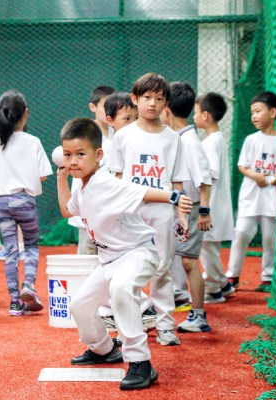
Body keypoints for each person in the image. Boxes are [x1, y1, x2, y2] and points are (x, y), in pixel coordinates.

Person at [57, 117, 192, 390]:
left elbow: (140, 190)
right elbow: (66, 211)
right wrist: (61, 178)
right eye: (68, 154)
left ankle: (141, 363)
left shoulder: (103, 182)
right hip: (110, 259)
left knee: (121, 289)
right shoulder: (81, 186)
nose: (73, 161)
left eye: (80, 154)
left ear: (98, 156)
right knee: (79, 306)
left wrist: (173, 197)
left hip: (137, 253)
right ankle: (104, 350)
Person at [107, 73, 189, 346]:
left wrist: (182, 215)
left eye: (159, 98)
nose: (152, 103)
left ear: (166, 103)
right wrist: (113, 211)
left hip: (162, 210)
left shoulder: (173, 138)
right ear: (135, 99)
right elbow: (116, 177)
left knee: (162, 268)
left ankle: (166, 326)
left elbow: (176, 180)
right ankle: (127, 325)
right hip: (130, 210)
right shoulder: (123, 136)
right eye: (146, 98)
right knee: (125, 269)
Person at [97, 91, 156, 334]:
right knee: (107, 267)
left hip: (124, 219)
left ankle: (140, 308)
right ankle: (119, 310)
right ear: (110, 120)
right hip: (104, 219)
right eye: (126, 119)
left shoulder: (130, 143)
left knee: (124, 267)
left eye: (134, 118)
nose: (131, 124)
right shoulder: (107, 147)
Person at [0, 89, 52, 316]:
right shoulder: (32, 141)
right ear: (25, 114)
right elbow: (44, 175)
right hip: (24, 200)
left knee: (10, 251)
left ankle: (15, 301)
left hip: (2, 203)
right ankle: (29, 286)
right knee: (32, 245)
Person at [161, 82, 213, 333]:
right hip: (185, 208)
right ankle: (179, 300)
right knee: (180, 260)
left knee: (190, 263)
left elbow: (204, 179)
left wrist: (203, 212)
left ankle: (199, 315)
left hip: (192, 209)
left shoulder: (189, 141)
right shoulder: (179, 138)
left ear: (167, 108)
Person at [227, 92, 276, 292]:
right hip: (251, 196)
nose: (254, 116)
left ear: (273, 113)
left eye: (258, 111)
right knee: (242, 232)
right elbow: (242, 165)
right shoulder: (251, 139)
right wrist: (255, 175)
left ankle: (268, 277)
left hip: (272, 198)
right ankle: (232, 275)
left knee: (270, 238)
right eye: (252, 112)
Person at [195, 93, 236, 302]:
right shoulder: (217, 138)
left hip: (211, 205)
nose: (194, 117)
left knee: (206, 247)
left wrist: (204, 209)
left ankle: (213, 288)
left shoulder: (211, 142)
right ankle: (222, 282)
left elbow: (209, 175)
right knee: (210, 247)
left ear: (206, 115)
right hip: (216, 204)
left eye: (196, 113)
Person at [68, 86, 115, 255]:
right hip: (88, 212)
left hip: (109, 214)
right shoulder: (84, 135)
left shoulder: (118, 136)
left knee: (110, 264)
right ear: (93, 107)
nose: (110, 111)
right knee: (86, 263)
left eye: (113, 106)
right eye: (105, 106)